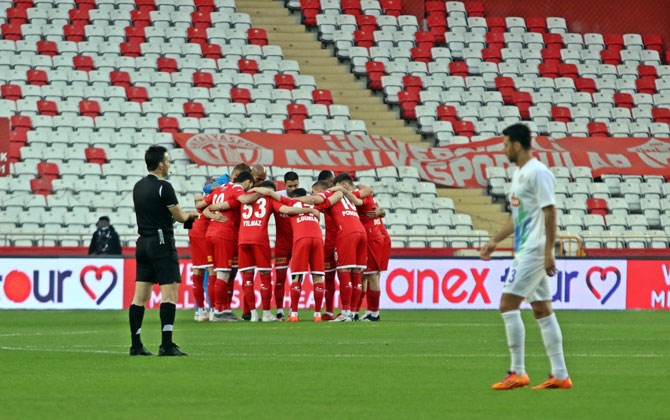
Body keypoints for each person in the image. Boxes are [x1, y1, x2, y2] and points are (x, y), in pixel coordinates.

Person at [480, 123, 572, 390]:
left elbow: (550, 211)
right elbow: (517, 217)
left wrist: (548, 252)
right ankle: (561, 375)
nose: (503, 148)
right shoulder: (519, 174)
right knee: (542, 309)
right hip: (525, 247)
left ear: (517, 145)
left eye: (506, 144)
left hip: (534, 249)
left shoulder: (537, 172)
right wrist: (495, 240)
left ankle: (517, 371)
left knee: (507, 305)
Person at [128, 145, 198, 357]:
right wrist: (190, 215)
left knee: (139, 296)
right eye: (167, 161)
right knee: (170, 292)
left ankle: (136, 344)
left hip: (143, 243)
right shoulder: (164, 187)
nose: (168, 165)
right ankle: (166, 345)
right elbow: (179, 216)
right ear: (160, 164)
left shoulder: (138, 186)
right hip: (161, 242)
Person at [312, 174, 367, 322]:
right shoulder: (345, 196)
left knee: (344, 273)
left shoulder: (328, 195)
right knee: (353, 274)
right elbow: (361, 198)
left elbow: (316, 201)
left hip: (345, 235)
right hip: (357, 232)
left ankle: (346, 313)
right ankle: (350, 313)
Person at [272, 170, 300, 320]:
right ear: (285, 184)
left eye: (295, 185)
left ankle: (293, 310)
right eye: (290, 186)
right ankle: (279, 311)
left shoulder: (303, 196)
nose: (293, 189)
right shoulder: (279, 196)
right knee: (280, 279)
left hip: (298, 245)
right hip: (282, 245)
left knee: (296, 278)